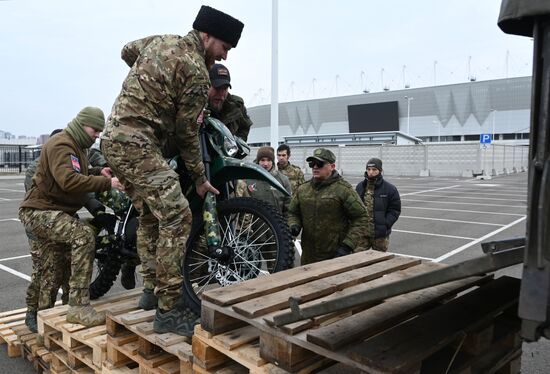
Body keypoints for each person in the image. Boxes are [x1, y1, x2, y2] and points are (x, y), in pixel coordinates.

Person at [101, 5, 244, 336]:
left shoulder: (160, 42)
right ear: (207, 36)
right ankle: (168, 309)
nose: (226, 55)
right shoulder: (195, 72)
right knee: (178, 216)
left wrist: (149, 82)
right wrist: (200, 179)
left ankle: (150, 290)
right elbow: (186, 134)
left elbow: (127, 50)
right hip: (136, 143)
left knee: (151, 215)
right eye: (225, 47)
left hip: (114, 139)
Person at [19, 107, 124, 328]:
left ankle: (50, 312)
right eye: (95, 130)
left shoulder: (77, 147)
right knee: (83, 237)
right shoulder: (62, 144)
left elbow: (77, 173)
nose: (97, 135)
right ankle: (76, 307)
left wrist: (97, 172)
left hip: (55, 211)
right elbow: (68, 180)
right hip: (40, 212)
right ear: (82, 124)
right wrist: (108, 183)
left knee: (55, 264)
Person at [288, 148, 367, 265]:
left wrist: (347, 245)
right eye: (312, 164)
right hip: (308, 257)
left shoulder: (343, 190)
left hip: (335, 257)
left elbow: (362, 218)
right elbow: (293, 212)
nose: (315, 167)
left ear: (332, 166)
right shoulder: (303, 189)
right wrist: (294, 225)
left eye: (319, 164)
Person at [355, 158, 401, 252]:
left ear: (380, 170)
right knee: (358, 259)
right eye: (368, 169)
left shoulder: (390, 189)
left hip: (380, 235)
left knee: (380, 262)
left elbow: (395, 210)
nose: (371, 172)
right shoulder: (360, 187)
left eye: (374, 169)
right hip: (362, 233)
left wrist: (385, 224)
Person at [236, 146, 291, 216]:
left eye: (269, 160)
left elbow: (288, 208)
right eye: (262, 160)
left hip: (276, 225)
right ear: (258, 161)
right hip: (253, 225)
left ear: (273, 161)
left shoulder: (283, 180)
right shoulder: (247, 179)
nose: (265, 164)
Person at [207, 63, 253, 141]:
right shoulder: (196, 106)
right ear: (206, 85)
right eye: (217, 88)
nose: (221, 94)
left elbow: (244, 127)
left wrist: (236, 145)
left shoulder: (237, 106)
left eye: (225, 89)